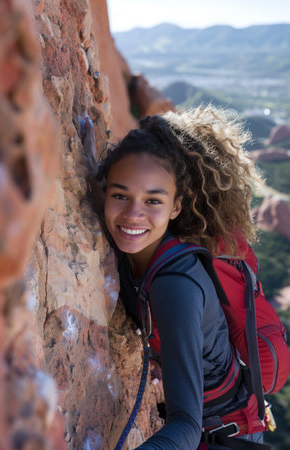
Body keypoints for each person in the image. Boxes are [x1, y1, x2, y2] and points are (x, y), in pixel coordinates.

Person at [82, 106, 266, 449]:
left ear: (176, 208)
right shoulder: (137, 241)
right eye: (120, 195)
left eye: (153, 201)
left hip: (223, 432)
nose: (133, 215)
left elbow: (186, 424)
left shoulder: (175, 286)